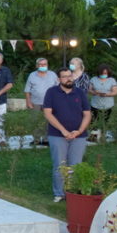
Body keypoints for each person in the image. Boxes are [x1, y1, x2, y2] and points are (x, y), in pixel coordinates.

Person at [43, 68, 91, 203]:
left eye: (70, 76)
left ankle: (73, 192)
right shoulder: (51, 92)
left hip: (78, 136)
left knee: (76, 165)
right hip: (57, 135)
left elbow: (87, 114)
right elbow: (48, 113)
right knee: (60, 165)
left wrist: (79, 131)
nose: (68, 79)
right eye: (64, 77)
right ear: (59, 79)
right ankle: (59, 193)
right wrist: (63, 131)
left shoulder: (80, 93)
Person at [24, 58, 58, 145]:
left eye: (44, 64)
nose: (42, 66)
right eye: (40, 64)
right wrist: (28, 102)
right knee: (35, 121)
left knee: (49, 121)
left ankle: (47, 139)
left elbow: (58, 88)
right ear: (37, 65)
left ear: (47, 65)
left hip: (50, 102)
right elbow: (27, 90)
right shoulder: (32, 75)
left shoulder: (53, 75)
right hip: (35, 102)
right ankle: (36, 139)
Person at [87, 63, 117, 130]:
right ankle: (94, 138)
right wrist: (95, 92)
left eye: (105, 73)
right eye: (102, 73)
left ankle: (103, 137)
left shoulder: (112, 80)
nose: (104, 75)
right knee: (94, 122)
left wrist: (106, 94)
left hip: (108, 105)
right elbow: (89, 90)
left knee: (105, 122)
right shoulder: (93, 79)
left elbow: (115, 92)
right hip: (95, 105)